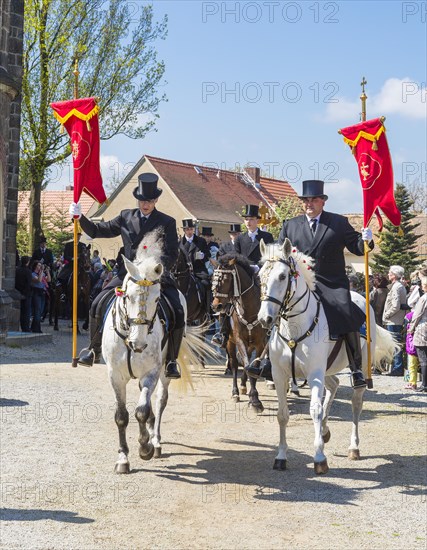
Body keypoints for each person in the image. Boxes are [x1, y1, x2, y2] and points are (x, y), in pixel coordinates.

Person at [247, 180, 373, 388]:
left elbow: (358, 248)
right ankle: (267, 360)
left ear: (322, 201)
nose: (309, 203)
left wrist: (365, 240)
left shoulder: (338, 223)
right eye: (306, 200)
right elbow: (279, 253)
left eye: (314, 199)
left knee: (346, 311)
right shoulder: (290, 225)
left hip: (331, 283)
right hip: (300, 283)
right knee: (277, 311)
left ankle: (355, 367)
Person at [69, 173, 184, 379]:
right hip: (128, 274)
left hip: (156, 275)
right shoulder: (125, 216)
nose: (145, 204)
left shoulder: (167, 222)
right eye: (142, 200)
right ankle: (93, 349)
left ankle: (171, 361)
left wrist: (158, 269)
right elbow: (96, 231)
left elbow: (173, 253)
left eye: (149, 201)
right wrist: (80, 217)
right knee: (97, 302)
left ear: (156, 200)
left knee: (177, 308)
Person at [211, 223, 242, 348]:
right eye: (233, 234)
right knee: (223, 303)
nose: (234, 236)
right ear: (230, 235)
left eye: (237, 234)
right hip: (228, 277)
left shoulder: (243, 244)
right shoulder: (224, 246)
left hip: (241, 278)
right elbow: (221, 260)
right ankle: (222, 334)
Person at [382, 265, 407, 376]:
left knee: (395, 344)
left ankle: (397, 368)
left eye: (390, 273)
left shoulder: (397, 287)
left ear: (394, 275)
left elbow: (395, 306)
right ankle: (396, 367)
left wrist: (387, 315)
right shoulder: (397, 286)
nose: (388, 274)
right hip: (394, 320)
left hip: (394, 320)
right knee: (395, 344)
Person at [234, 205, 274, 270]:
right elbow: (236, 256)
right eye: (246, 219)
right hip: (245, 271)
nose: (248, 222)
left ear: (257, 221)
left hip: (261, 271)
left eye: (251, 219)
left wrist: (258, 267)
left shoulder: (267, 236)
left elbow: (270, 255)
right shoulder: (239, 238)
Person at [407, 273, 427, 392]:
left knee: (423, 359)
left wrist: (411, 328)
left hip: (423, 328)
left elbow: (417, 314)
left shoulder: (424, 298)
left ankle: (424, 385)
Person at [15, 255, 32, 332]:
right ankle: (25, 328)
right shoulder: (28, 271)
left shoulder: (17, 270)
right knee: (26, 312)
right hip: (26, 294)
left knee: (21, 312)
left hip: (18, 292)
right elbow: (28, 284)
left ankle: (22, 326)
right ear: (27, 262)